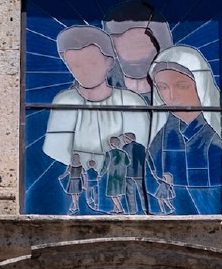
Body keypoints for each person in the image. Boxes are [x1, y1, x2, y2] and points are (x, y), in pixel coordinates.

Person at [144, 44, 222, 214]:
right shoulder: (159, 137)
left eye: (182, 86)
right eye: (162, 87)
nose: (171, 96)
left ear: (201, 84)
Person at [41, 26, 151, 172]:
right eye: (76, 65)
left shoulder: (132, 103)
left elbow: (140, 149)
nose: (84, 72)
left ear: (109, 62)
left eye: (92, 63)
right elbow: (55, 151)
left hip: (118, 176)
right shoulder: (64, 102)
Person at [102, 1, 173, 98]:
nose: (137, 55)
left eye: (140, 44)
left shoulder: (179, 89)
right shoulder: (94, 86)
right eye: (128, 45)